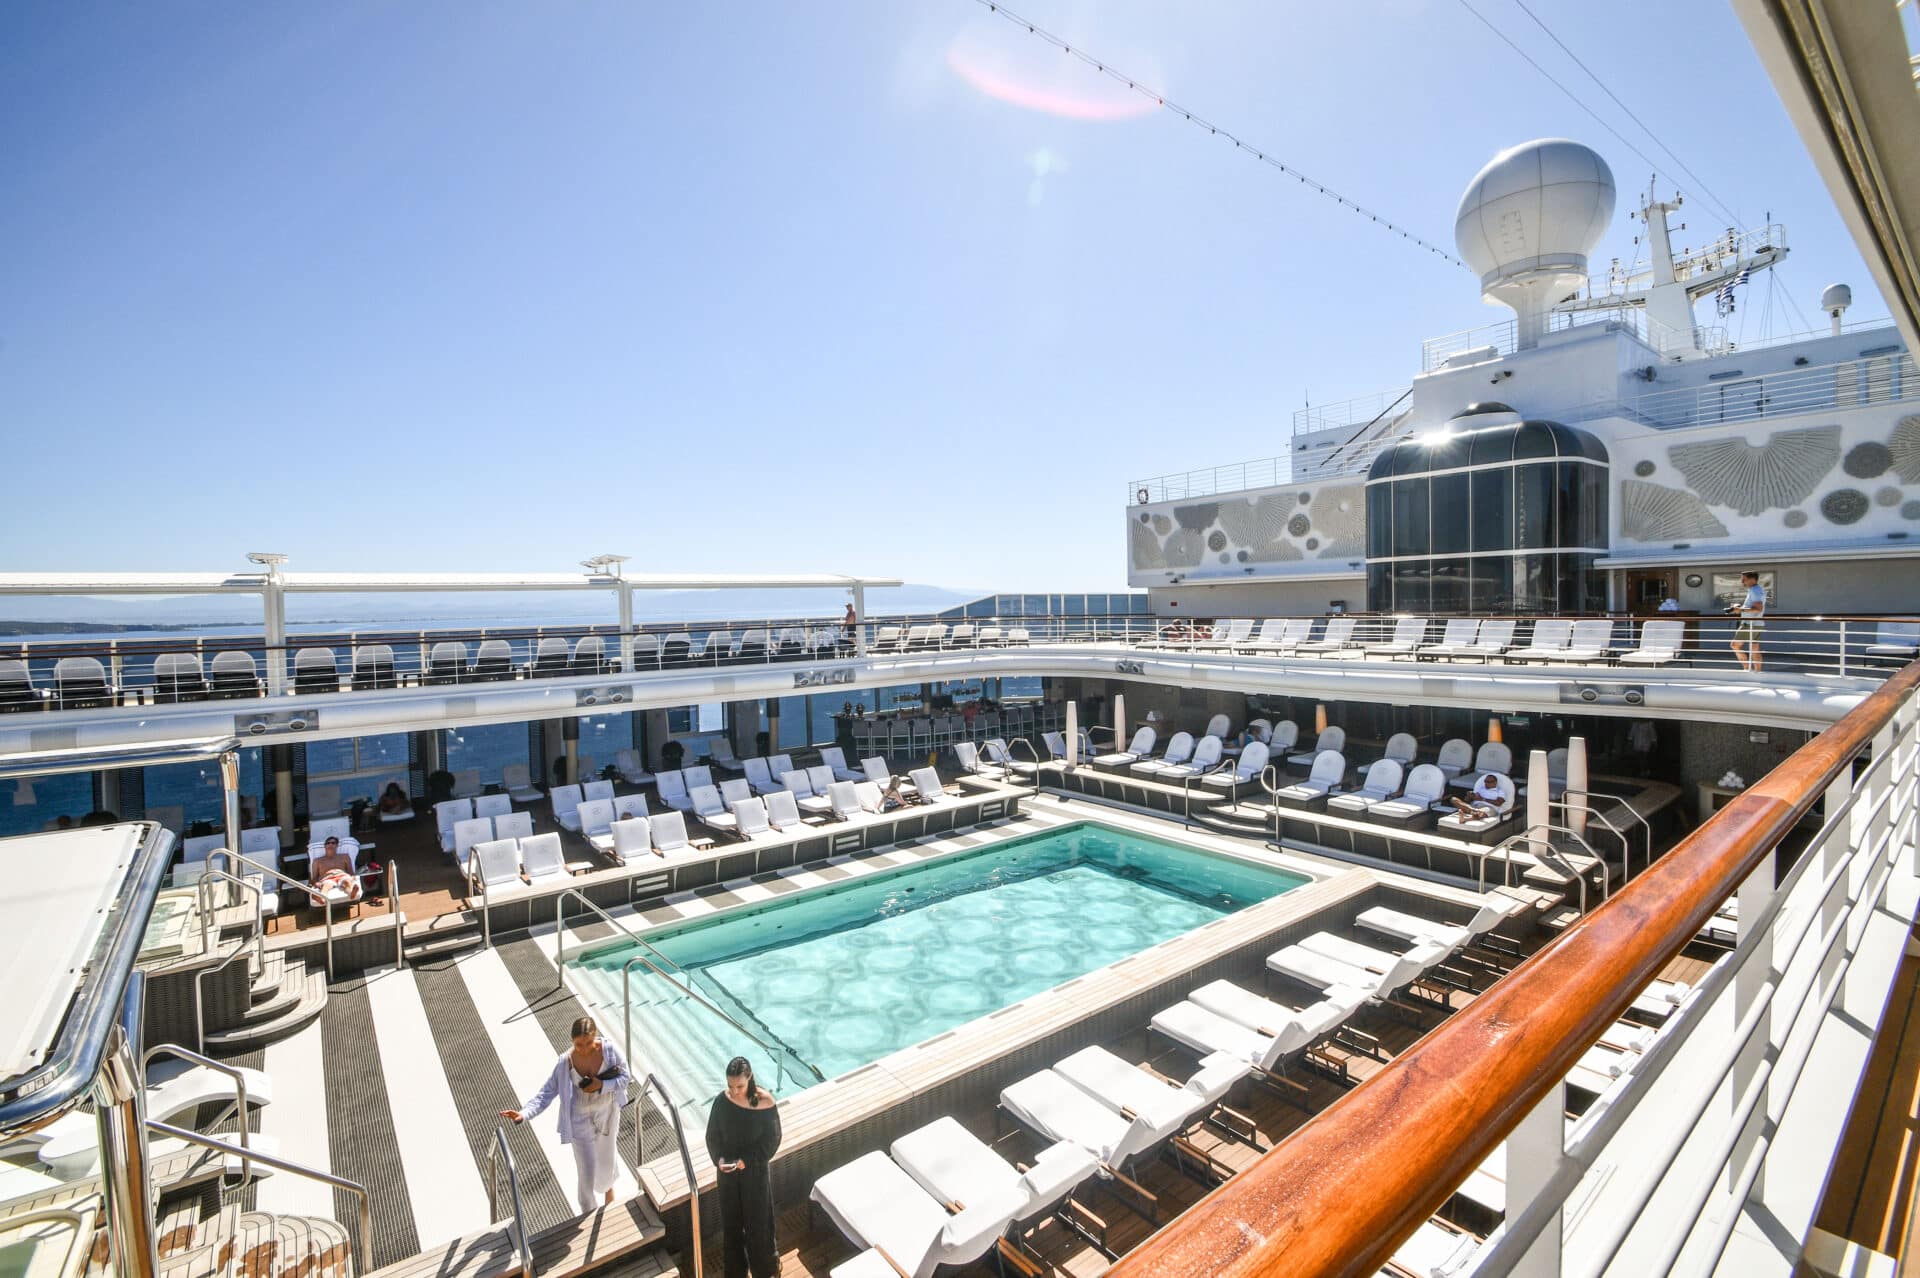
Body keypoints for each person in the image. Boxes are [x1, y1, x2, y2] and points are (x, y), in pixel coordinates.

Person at [501, 1016, 631, 1214]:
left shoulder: (609, 1050)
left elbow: (626, 1077)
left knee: (605, 1169)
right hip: (580, 1120)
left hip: (607, 1114)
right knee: (586, 1177)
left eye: (588, 1043)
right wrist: (524, 1113)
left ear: (595, 1036)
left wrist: (602, 1085)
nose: (584, 1049)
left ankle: (609, 1195)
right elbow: (547, 1092)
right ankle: (587, 1217)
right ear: (572, 1041)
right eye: (578, 1044)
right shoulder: (566, 1062)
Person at [705, 1056, 781, 1278]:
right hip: (727, 1175)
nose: (735, 1091)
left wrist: (745, 1160)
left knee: (759, 1224)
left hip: (754, 1174)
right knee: (732, 1227)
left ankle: (766, 1271)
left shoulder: (765, 1103)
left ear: (749, 1079)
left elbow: (772, 1140)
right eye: (730, 1085)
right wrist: (719, 1160)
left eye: (739, 1085)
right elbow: (712, 1136)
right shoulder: (722, 1102)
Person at [1729, 570, 1766, 672]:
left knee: (1734, 645)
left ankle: (1747, 668)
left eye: (1744, 579)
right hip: (1756, 623)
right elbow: (1754, 607)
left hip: (1750, 624)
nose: (1742, 582)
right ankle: (1757, 672)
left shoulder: (1755, 590)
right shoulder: (1757, 589)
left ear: (1752, 579)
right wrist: (1740, 608)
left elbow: (1758, 608)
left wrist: (1739, 610)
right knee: (1754, 648)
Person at [307, 836, 362, 904]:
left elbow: (350, 872)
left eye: (333, 843)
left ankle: (352, 893)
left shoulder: (344, 857)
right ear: (325, 846)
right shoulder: (317, 861)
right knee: (325, 886)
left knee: (346, 882)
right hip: (327, 878)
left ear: (337, 845)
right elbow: (314, 877)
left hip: (342, 875)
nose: (330, 844)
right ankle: (321, 899)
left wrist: (353, 877)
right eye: (328, 843)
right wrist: (315, 883)